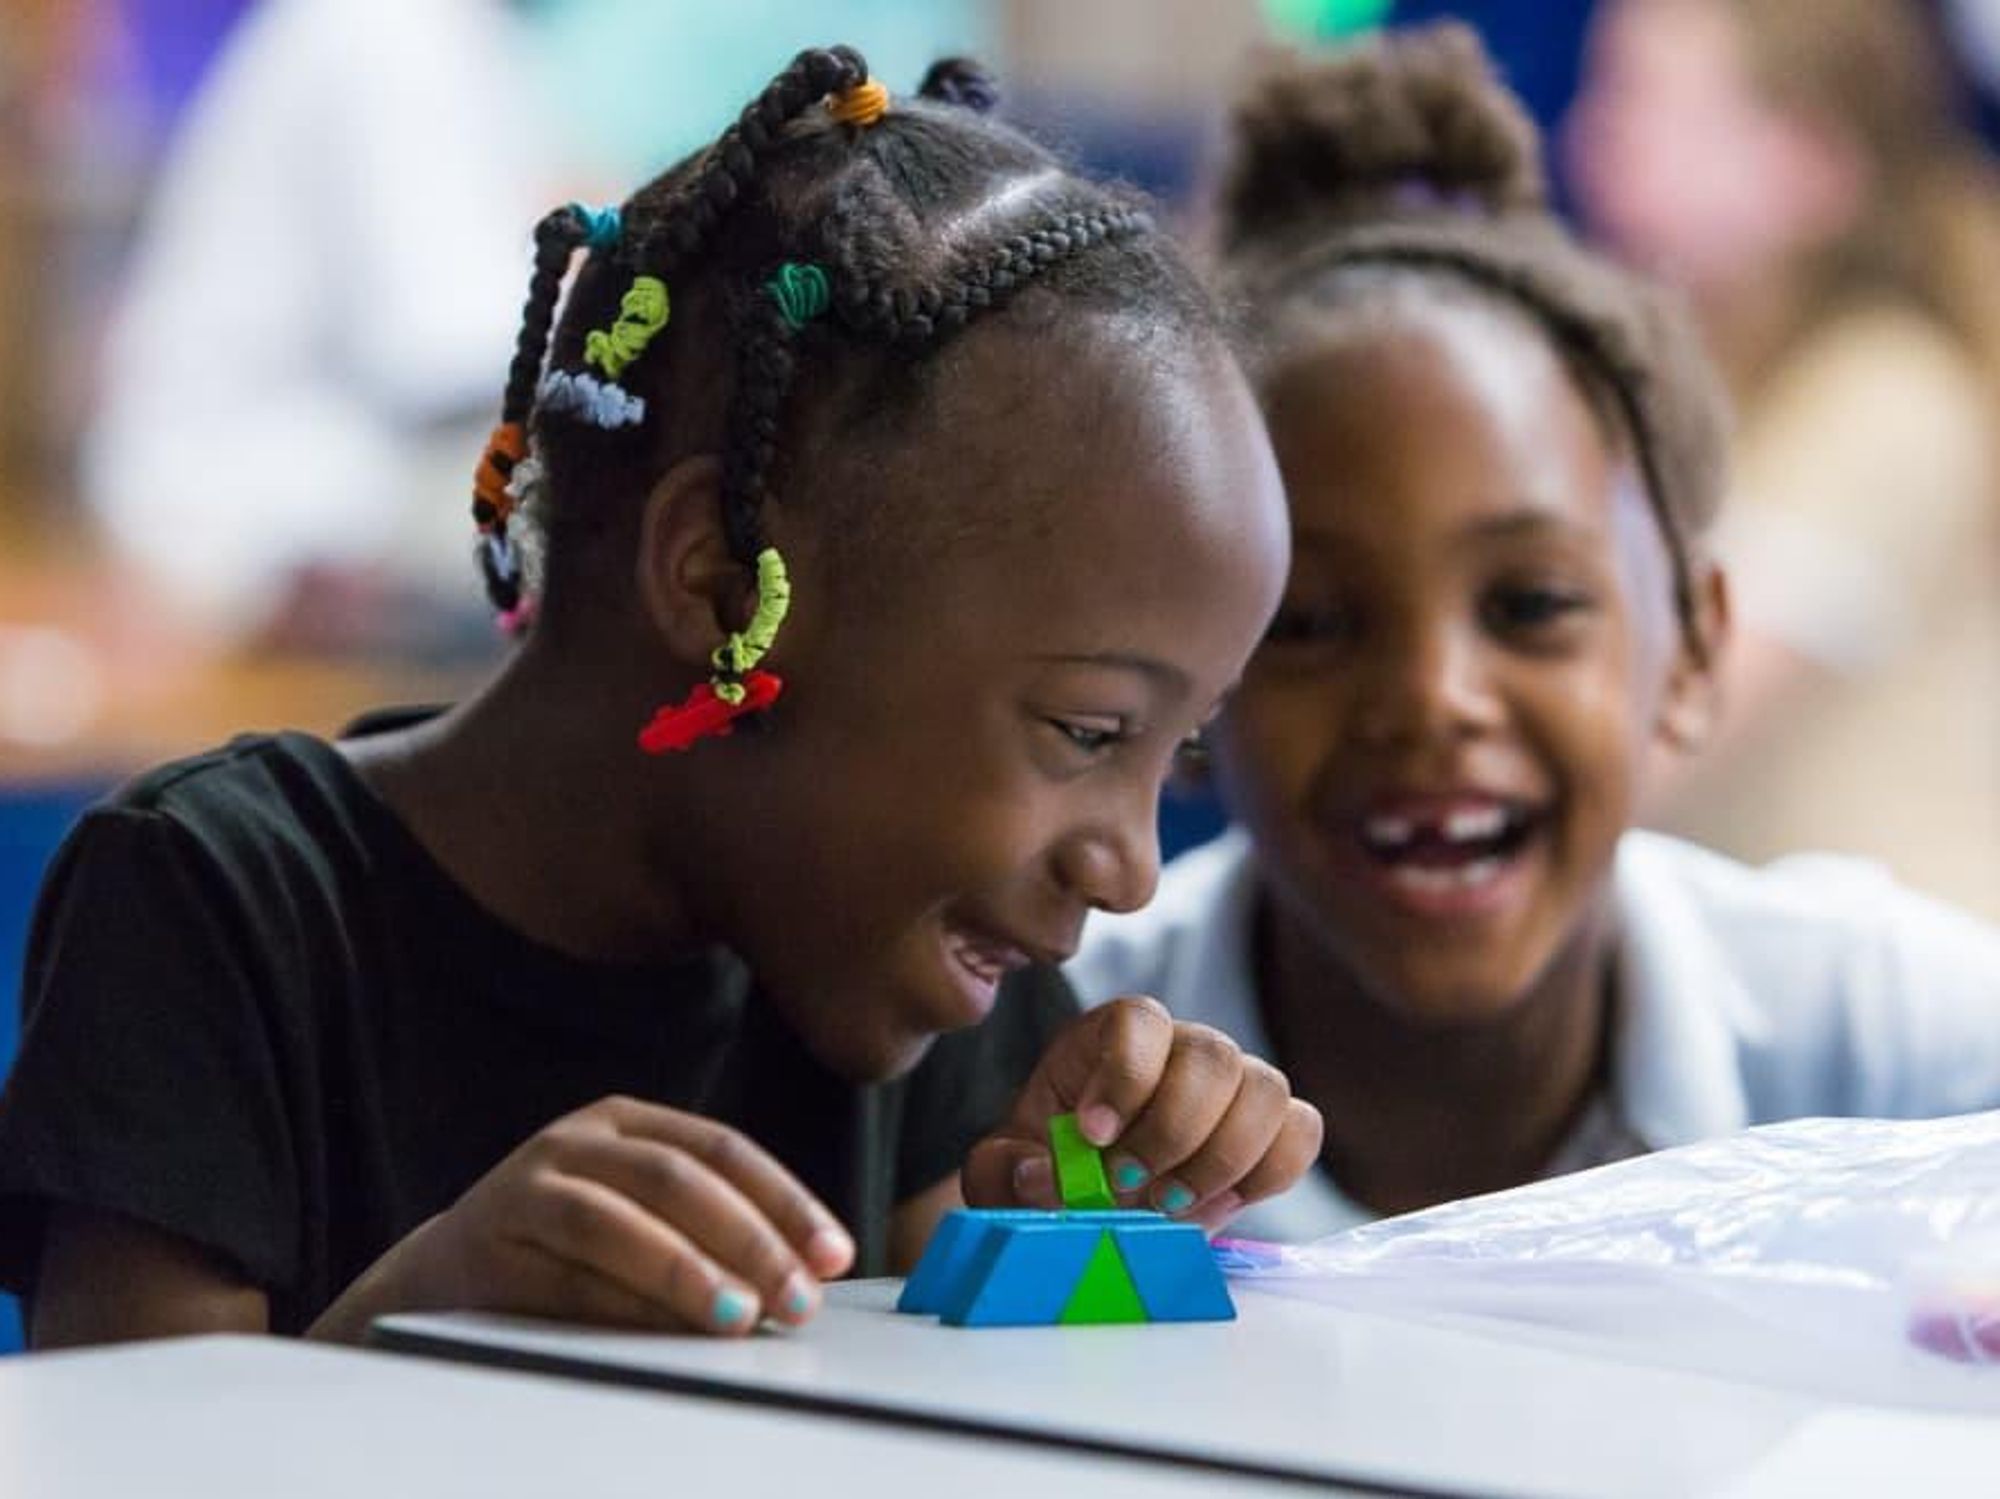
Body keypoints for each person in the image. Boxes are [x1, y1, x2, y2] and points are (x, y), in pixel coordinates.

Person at [0, 46, 1322, 1345]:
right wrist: (421, 1319)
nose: (1133, 867)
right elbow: (129, 1451)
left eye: (1179, 751)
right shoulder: (219, 908)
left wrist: (1079, 1227)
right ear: (729, 586)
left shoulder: (919, 972)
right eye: (1088, 731)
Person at [1067, 24, 2000, 1242]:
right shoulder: (1049, 1057)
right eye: (1311, 620)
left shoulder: (1884, 1031)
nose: (1432, 696)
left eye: (1529, 606)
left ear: (1691, 652)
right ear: (1186, 687)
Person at [1567, 0, 2000, 918]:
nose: (1592, 129)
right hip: (1782, 984)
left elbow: (1652, 740)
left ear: (1812, 162)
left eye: (1647, 99)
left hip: (1919, 1005)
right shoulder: (1705, 384)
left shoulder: (1891, 397)